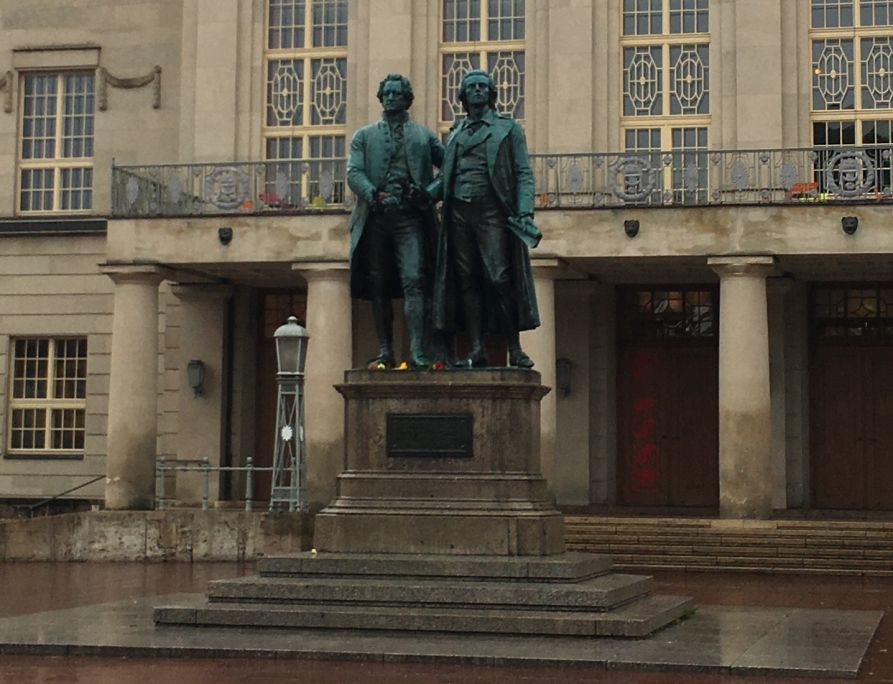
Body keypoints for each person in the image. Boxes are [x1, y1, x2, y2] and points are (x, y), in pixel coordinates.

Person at [427, 69, 541, 368]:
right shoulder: (456, 134)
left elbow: (523, 173)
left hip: (492, 210)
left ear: (491, 94)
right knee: (467, 281)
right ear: (463, 97)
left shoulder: (508, 129)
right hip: (458, 213)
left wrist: (525, 210)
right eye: (471, 87)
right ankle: (477, 347)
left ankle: (514, 347)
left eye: (482, 86)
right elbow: (446, 179)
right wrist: (422, 194)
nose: (477, 90)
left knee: (499, 277)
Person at [347, 73, 444, 369]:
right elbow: (354, 172)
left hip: (410, 218)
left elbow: (452, 169)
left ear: (407, 99)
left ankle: (417, 350)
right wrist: (374, 195)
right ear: (380, 97)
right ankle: (386, 349)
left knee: (414, 280)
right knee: (379, 284)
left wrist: (428, 194)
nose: (391, 98)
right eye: (387, 94)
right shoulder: (364, 136)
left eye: (397, 94)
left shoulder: (424, 136)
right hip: (375, 219)